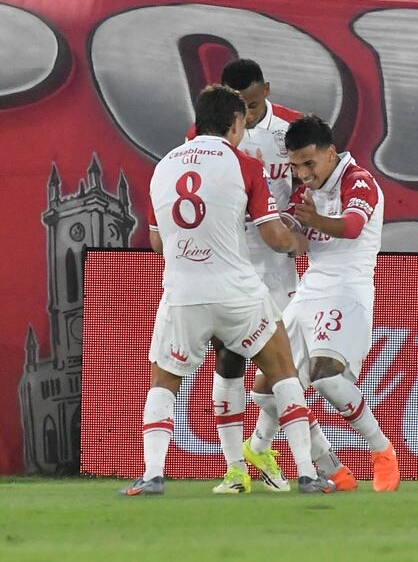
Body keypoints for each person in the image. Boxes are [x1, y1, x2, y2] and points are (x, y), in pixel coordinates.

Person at [120, 84, 335, 496]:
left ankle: (151, 475)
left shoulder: (162, 167)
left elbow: (158, 243)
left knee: (164, 381)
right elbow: (272, 235)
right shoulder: (243, 165)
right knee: (282, 371)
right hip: (237, 292)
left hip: (183, 294)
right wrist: (298, 243)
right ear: (235, 124)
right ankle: (307, 472)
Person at [196, 59, 356, 494]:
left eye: (252, 104)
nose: (245, 116)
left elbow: (310, 185)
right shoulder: (204, 139)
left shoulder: (289, 134)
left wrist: (298, 229)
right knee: (229, 361)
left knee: (287, 367)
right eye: (238, 108)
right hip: (227, 262)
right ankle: (243, 467)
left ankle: (277, 452)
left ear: (266, 90)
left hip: (276, 265)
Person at [249, 114, 400, 492]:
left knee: (327, 375)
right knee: (266, 390)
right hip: (311, 287)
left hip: (349, 287)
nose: (302, 174)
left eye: (309, 163)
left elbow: (351, 227)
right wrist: (272, 224)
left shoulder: (358, 180)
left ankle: (381, 451)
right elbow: (297, 238)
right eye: (296, 165)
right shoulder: (306, 191)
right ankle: (330, 466)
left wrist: (313, 218)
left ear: (331, 153)